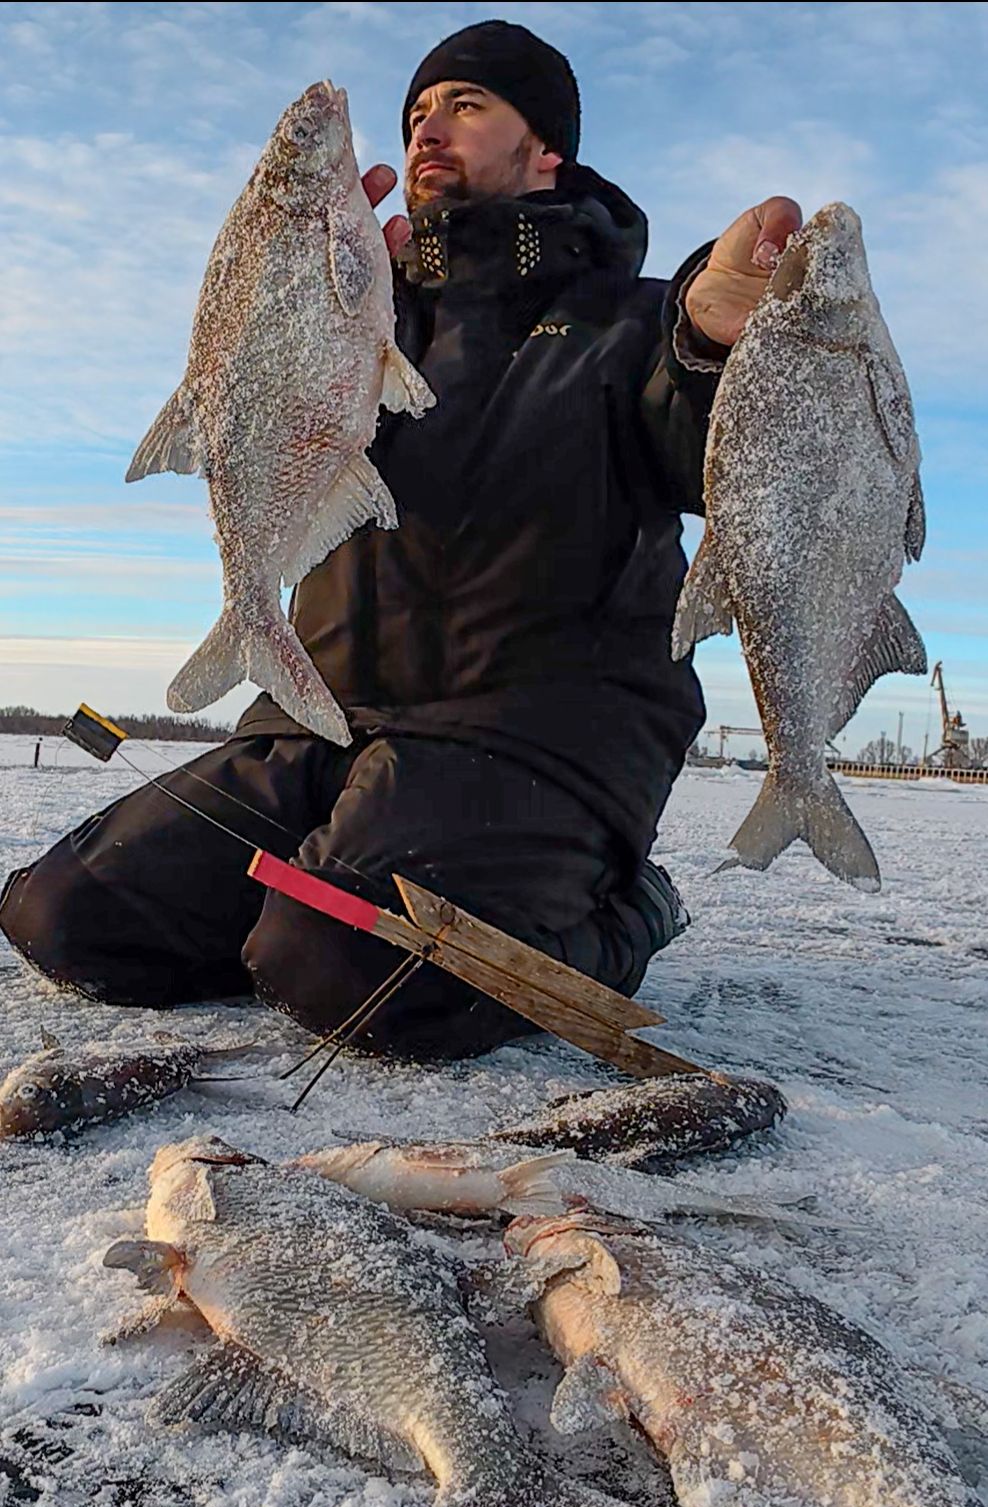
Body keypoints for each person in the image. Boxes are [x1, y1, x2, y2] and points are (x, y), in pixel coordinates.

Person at [0, 21, 800, 1059]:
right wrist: (270, 313)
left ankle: (624, 905)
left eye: (466, 107)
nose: (430, 130)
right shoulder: (360, 315)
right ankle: (312, 901)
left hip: (528, 742)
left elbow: (712, 458)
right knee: (68, 918)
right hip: (319, 726)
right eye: (418, 112)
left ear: (545, 150)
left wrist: (709, 348)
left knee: (345, 969)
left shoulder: (635, 323)